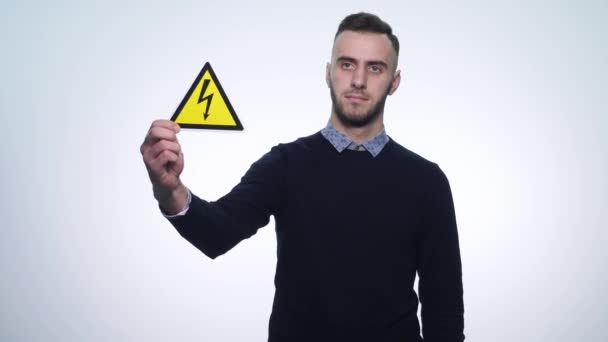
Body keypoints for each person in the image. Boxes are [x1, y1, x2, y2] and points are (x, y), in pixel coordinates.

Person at [141, 12, 464, 342]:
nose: (359, 80)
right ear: (329, 73)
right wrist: (169, 189)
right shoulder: (285, 165)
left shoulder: (427, 182)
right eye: (347, 64)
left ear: (394, 81)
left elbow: (445, 314)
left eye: (375, 68)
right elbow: (217, 232)